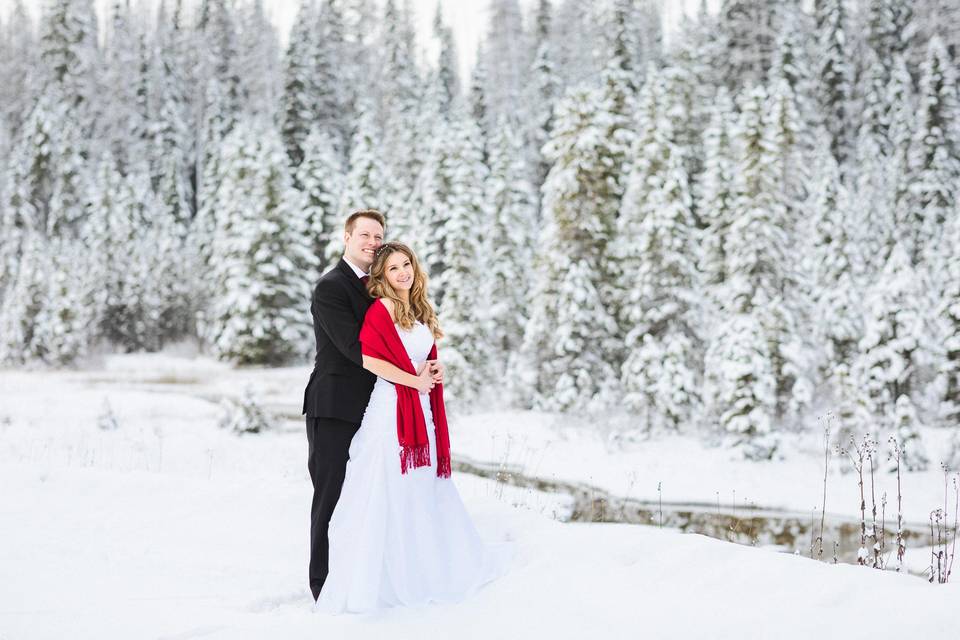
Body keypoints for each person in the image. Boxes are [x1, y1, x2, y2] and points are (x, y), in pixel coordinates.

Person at [314, 242, 508, 613]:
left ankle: (426, 567)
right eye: (393, 269)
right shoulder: (382, 309)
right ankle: (388, 577)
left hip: (420, 410)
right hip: (391, 411)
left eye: (407, 265)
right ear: (382, 278)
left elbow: (423, 355)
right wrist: (412, 382)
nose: (403, 272)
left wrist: (435, 370)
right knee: (390, 489)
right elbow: (370, 359)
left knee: (421, 488)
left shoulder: (416, 309)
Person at [302, 210, 441, 601]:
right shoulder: (331, 287)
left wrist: (424, 362)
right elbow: (356, 348)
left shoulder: (378, 288)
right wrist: (413, 377)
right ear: (347, 237)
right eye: (364, 234)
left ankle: (365, 576)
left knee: (364, 496)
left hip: (376, 406)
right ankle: (323, 587)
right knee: (330, 496)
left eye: (378, 236)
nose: (372, 242)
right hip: (334, 405)